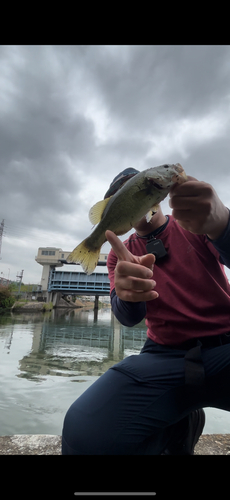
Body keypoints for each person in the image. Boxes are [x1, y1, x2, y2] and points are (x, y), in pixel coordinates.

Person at [62, 167, 230, 455]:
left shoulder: (195, 223)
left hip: (225, 346)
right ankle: (177, 427)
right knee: (84, 434)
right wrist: (129, 297)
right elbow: (128, 318)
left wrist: (222, 224)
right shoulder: (117, 254)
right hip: (161, 356)